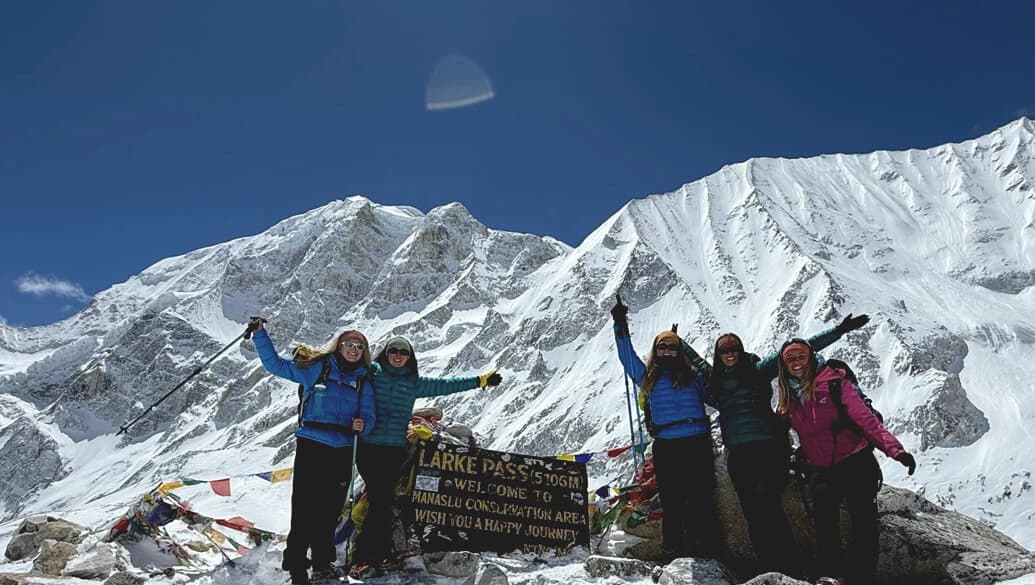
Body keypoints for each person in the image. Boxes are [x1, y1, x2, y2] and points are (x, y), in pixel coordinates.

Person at [679, 314, 870, 577]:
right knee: (753, 515)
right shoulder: (716, 379)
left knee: (766, 504)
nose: (730, 353)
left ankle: (790, 567)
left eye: (734, 348)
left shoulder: (757, 371)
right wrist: (678, 342)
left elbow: (794, 351)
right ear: (718, 354)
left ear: (741, 350)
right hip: (737, 454)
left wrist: (838, 330)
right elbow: (697, 363)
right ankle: (771, 568)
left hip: (768, 448)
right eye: (724, 350)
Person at [349, 336, 502, 579]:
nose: (398, 355)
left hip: (395, 451)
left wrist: (480, 381)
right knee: (381, 501)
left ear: (409, 357)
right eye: (393, 351)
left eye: (403, 352)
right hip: (369, 448)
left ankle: (374, 556)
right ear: (385, 354)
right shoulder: (372, 373)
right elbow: (346, 362)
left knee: (384, 502)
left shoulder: (414, 383)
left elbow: (448, 385)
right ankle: (363, 560)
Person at [776, 337, 916, 585]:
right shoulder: (789, 396)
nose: (796, 363)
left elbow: (867, 421)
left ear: (810, 357)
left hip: (856, 463)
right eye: (790, 359)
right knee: (824, 524)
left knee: (863, 525)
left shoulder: (835, 384)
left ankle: (861, 579)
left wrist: (896, 451)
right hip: (820, 468)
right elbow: (778, 428)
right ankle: (831, 576)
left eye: (800, 357)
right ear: (784, 365)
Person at [249, 317, 376, 585]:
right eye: (349, 344)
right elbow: (276, 365)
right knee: (304, 506)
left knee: (329, 510)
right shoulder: (317, 368)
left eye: (359, 346)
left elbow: (368, 415)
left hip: (342, 448)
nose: (354, 349)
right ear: (338, 346)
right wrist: (260, 334)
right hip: (312, 445)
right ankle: (296, 564)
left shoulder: (364, 381)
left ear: (364, 352)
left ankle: (321, 563)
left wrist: (363, 424)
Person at [610, 298, 720, 561]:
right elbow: (627, 357)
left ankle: (703, 548)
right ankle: (674, 549)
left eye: (672, 347)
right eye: (662, 347)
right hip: (668, 446)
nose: (667, 352)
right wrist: (619, 325)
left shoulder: (695, 376)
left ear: (679, 350)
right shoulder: (648, 378)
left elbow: (715, 395)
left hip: (696, 442)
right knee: (671, 499)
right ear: (656, 351)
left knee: (700, 496)